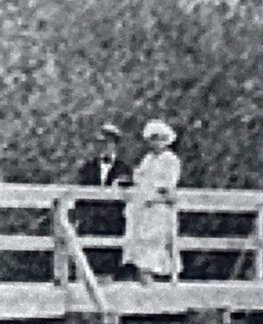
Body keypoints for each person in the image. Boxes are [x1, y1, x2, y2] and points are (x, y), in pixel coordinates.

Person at [122, 119, 182, 285]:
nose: (156, 143)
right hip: (144, 210)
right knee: (141, 248)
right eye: (152, 139)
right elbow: (140, 179)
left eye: (159, 138)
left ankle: (167, 282)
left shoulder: (170, 159)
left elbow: (168, 185)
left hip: (159, 208)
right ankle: (146, 283)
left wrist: (156, 195)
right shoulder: (148, 159)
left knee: (160, 247)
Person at [73, 122, 133, 277]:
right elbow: (80, 196)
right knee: (85, 267)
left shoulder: (124, 170)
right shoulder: (87, 168)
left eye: (109, 142)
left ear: (115, 145)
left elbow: (130, 198)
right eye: (102, 142)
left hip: (113, 224)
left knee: (109, 268)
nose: (105, 147)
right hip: (90, 224)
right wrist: (79, 218)